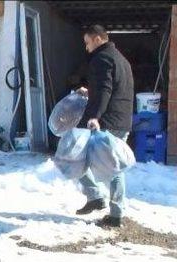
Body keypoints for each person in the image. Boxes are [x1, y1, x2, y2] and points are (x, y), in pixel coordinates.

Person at [75, 25, 134, 228]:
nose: (86, 47)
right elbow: (107, 88)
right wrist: (89, 91)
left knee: (74, 156)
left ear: (98, 39)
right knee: (109, 166)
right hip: (121, 120)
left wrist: (94, 116)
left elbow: (105, 91)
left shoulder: (102, 59)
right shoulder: (120, 58)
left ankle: (107, 206)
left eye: (87, 42)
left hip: (108, 122)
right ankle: (102, 202)